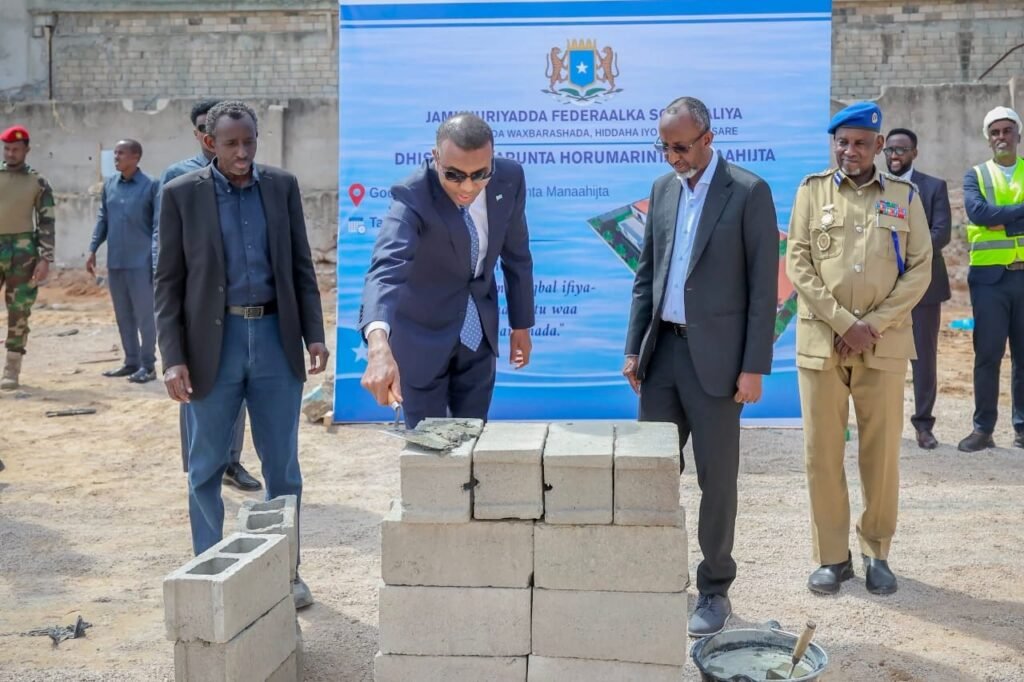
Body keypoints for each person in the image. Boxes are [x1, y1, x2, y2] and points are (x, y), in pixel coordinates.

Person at [154, 100, 329, 609]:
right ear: (209, 143)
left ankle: (286, 574)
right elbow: (168, 283)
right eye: (231, 143)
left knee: (283, 469)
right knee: (206, 466)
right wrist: (173, 357)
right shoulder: (181, 194)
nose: (242, 152)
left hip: (276, 340)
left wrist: (314, 334)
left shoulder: (281, 187)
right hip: (214, 346)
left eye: (249, 141)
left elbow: (301, 267)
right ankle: (210, 571)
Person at [622, 96, 778, 637]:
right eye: (664, 147)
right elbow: (647, 276)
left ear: (709, 139)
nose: (673, 157)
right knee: (653, 472)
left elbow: (764, 290)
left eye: (682, 147)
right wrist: (634, 348)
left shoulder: (749, 191)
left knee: (717, 481)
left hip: (719, 365)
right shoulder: (663, 190)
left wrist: (754, 366)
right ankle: (654, 574)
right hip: (662, 354)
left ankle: (714, 589)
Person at [787, 102, 931, 596]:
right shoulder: (811, 192)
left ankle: (877, 552)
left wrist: (871, 325)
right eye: (842, 142)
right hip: (822, 343)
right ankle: (832, 557)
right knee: (822, 453)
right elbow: (798, 263)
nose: (850, 151)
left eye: (861, 143)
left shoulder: (904, 197)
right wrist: (845, 323)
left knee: (881, 454)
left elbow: (920, 269)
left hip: (882, 345)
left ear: (879, 146)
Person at [359, 112, 535, 426]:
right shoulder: (412, 195)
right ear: (436, 157)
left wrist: (521, 324)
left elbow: (517, 254)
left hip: (478, 337)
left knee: (472, 437)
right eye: (454, 175)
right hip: (421, 339)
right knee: (427, 444)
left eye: (480, 174)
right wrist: (377, 343)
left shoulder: (509, 178)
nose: (468, 186)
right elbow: (387, 268)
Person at [158, 98, 260, 491]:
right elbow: (164, 245)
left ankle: (232, 461)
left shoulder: (252, 179)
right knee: (197, 392)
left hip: (238, 308)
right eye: (204, 129)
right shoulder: (179, 179)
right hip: (196, 303)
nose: (239, 149)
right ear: (203, 136)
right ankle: (200, 465)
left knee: (238, 392)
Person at [957, 106, 1024, 453]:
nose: (1001, 137)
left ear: (1018, 135)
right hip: (989, 281)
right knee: (987, 355)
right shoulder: (976, 176)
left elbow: (990, 218)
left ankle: (1022, 428)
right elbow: (978, 213)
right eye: (995, 132)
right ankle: (983, 428)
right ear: (988, 139)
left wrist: (1001, 221)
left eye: (1007, 130)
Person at [883, 128, 952, 450]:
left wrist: (907, 255)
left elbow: (942, 233)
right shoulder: (877, 187)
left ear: (914, 153)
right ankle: (885, 424)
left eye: (901, 150)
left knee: (923, 359)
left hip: (925, 287)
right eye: (890, 150)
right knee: (885, 358)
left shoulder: (934, 187)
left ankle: (923, 425)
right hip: (885, 289)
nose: (894, 156)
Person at [87, 139, 160, 383]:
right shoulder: (110, 185)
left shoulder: (151, 186)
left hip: (142, 263)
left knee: (145, 316)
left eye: (121, 153)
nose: (116, 157)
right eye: (115, 153)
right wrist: (93, 248)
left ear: (136, 157)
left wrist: (155, 260)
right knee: (123, 315)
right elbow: (103, 219)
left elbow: (158, 226)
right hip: (116, 262)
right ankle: (131, 362)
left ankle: (148, 365)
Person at [0, 125, 54, 390]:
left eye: (16, 149)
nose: (10, 153)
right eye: (7, 149)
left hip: (23, 252)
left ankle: (11, 369)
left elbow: (47, 221)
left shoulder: (38, 182)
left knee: (19, 309)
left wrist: (45, 259)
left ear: (27, 150)